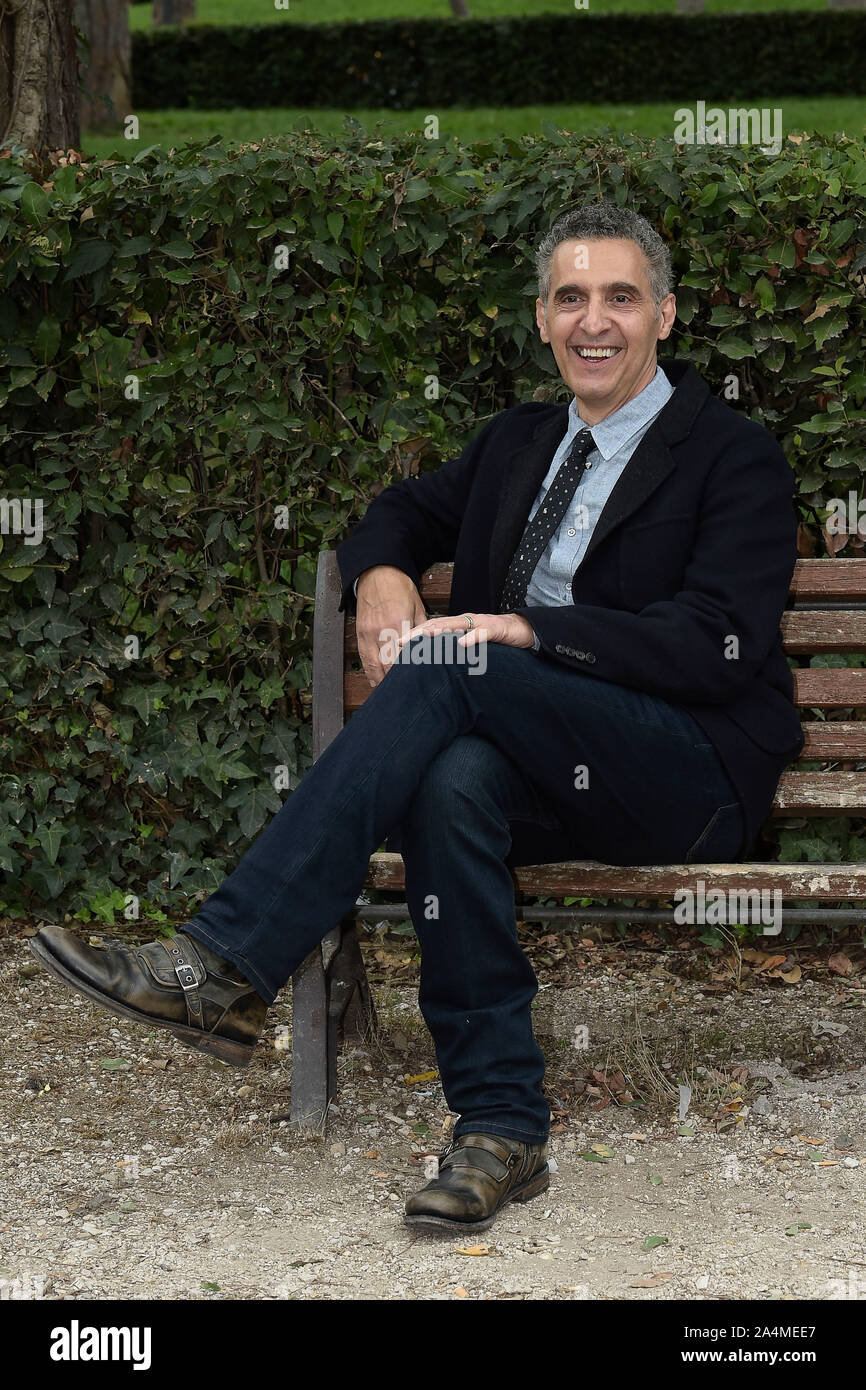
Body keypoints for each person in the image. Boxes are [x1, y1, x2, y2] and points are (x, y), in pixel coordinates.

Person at [30, 201, 804, 1234]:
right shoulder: (516, 442)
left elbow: (718, 641)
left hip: (682, 770)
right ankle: (498, 1127)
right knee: (450, 783)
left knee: (460, 661)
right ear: (540, 319)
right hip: (539, 773)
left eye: (619, 296)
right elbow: (395, 510)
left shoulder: (729, 453)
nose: (593, 320)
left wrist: (529, 631)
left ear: (663, 315)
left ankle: (222, 964)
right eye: (569, 297)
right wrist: (383, 572)